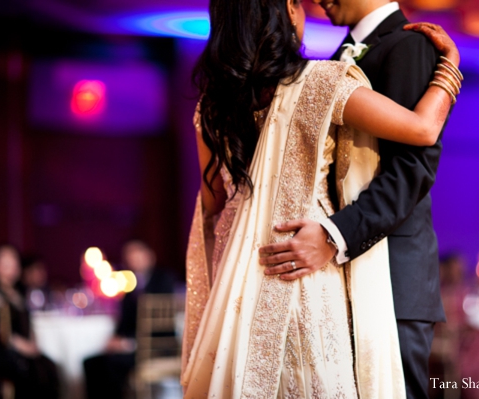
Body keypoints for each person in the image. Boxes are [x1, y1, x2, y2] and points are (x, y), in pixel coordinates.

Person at [180, 0, 462, 396]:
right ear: (286, 11)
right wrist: (450, 66)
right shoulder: (317, 79)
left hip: (245, 279)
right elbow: (422, 129)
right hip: (306, 271)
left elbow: (211, 210)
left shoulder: (212, 107)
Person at [259, 2, 449, 398]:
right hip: (337, 276)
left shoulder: (409, 45)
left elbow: (412, 170)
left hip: (394, 273)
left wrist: (333, 236)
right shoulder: (336, 55)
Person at [83, 240, 174, 399]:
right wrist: (116, 338)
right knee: (91, 362)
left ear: (149, 255)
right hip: (133, 346)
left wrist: (128, 343)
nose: (133, 258)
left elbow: (160, 324)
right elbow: (124, 320)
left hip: (155, 346)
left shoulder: (163, 280)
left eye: (137, 252)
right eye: (129, 254)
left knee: (113, 364)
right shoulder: (129, 283)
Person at [0, 245, 60, 399]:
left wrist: (32, 343)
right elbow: (0, 333)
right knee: (28, 369)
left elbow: (28, 324)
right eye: (5, 263)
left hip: (23, 348)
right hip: (4, 349)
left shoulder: (20, 293)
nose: (11, 268)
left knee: (49, 366)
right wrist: (21, 345)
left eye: (14, 263)